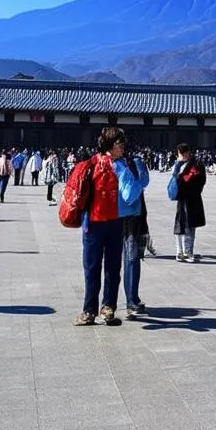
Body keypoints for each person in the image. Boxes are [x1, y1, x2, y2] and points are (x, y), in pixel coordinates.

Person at [74, 127, 142, 326]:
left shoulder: (98, 164)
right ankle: (99, 308)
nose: (123, 148)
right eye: (120, 144)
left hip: (104, 224)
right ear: (111, 146)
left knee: (102, 268)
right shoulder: (101, 165)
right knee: (102, 268)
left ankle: (98, 310)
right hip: (102, 223)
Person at [121, 152, 151, 320]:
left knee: (130, 259)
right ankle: (131, 300)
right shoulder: (135, 163)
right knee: (131, 259)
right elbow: (144, 182)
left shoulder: (112, 163)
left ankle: (130, 300)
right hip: (132, 217)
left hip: (123, 217)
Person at [171, 143, 207, 262]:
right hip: (182, 199)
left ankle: (188, 252)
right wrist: (177, 165)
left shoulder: (197, 164)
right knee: (180, 225)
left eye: (180, 154)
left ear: (186, 153)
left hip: (192, 198)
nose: (179, 156)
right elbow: (174, 178)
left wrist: (188, 186)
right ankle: (179, 251)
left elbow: (201, 180)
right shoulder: (178, 164)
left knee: (190, 226)